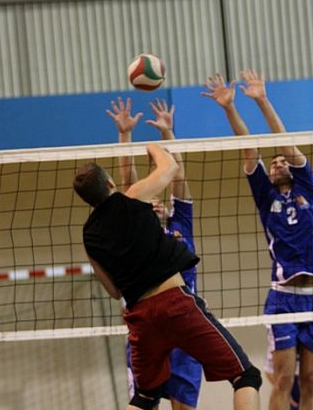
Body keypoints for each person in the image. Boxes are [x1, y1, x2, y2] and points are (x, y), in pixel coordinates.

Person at [73, 143, 261, 410]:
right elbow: (170, 166)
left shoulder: (88, 235)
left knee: (145, 396)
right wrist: (153, 146)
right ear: (110, 182)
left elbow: (114, 292)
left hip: (140, 318)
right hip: (175, 304)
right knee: (246, 376)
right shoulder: (132, 198)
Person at [202, 69, 313, 410]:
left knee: (312, 380)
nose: (277, 164)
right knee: (284, 379)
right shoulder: (266, 198)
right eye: (272, 162)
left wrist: (262, 100)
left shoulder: (310, 190)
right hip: (283, 298)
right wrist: (230, 107)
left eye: (282, 161)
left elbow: (286, 142)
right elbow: (249, 151)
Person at [107, 97, 202, 410]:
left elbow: (178, 176)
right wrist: (125, 135)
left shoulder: (180, 222)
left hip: (186, 328)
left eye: (158, 198)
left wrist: (167, 134)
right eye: (148, 200)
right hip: (149, 330)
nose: (156, 201)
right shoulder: (137, 228)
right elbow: (128, 183)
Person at [264, 340, 313, 410]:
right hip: (293, 394)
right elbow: (268, 370)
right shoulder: (279, 342)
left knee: (311, 382)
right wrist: (283, 390)